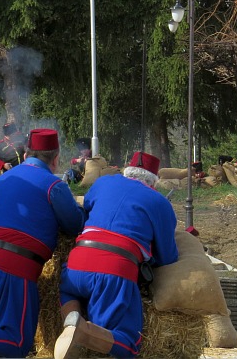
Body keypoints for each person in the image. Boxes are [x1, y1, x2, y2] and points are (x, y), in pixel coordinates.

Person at [0, 129, 84, 356]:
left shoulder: (5, 178)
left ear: (26, 155)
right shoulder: (54, 186)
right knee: (19, 343)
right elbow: (74, 225)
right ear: (55, 159)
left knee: (1, 324)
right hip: (11, 267)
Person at [53, 151, 179, 359]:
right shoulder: (159, 202)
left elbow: (87, 208)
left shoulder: (104, 183)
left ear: (126, 172)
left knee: (68, 291)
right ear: (153, 183)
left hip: (76, 263)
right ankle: (83, 332)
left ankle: (71, 320)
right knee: (128, 342)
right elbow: (167, 257)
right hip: (114, 271)